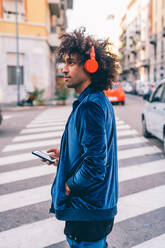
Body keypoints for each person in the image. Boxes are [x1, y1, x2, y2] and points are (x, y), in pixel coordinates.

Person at [42, 28, 119, 248]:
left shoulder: (90, 107)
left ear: (90, 66)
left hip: (87, 209)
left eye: (71, 62)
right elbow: (92, 150)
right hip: (94, 208)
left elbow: (95, 165)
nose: (64, 69)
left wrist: (69, 186)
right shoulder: (96, 100)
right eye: (64, 63)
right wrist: (64, 155)